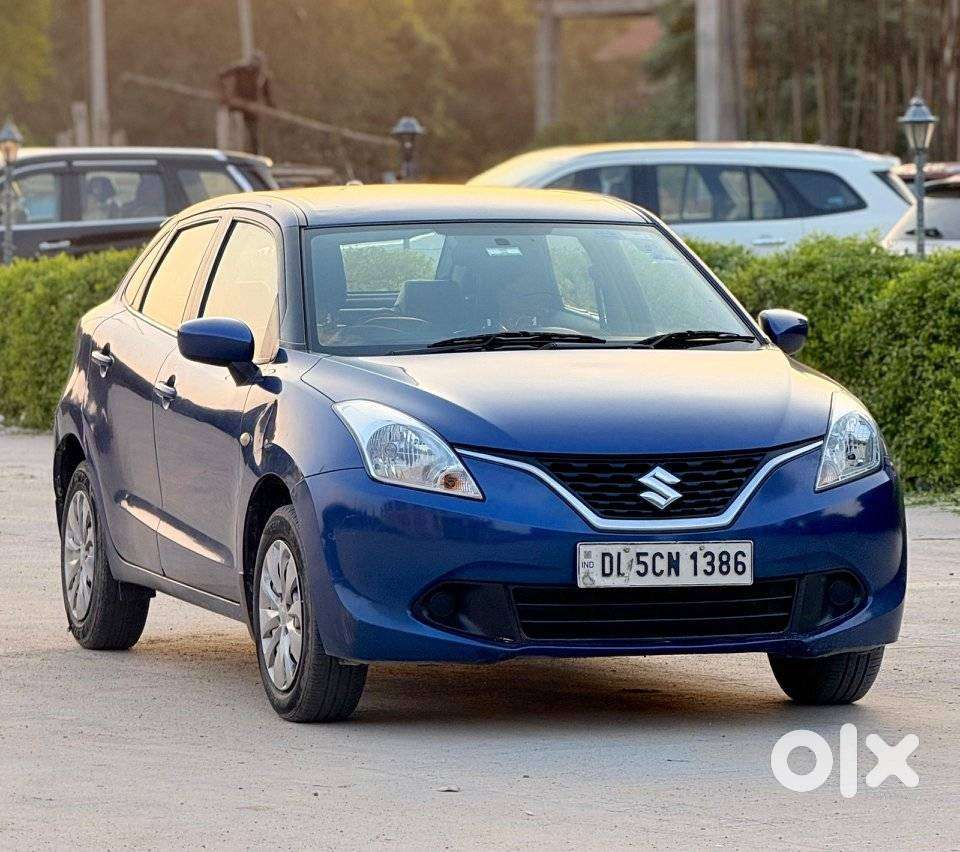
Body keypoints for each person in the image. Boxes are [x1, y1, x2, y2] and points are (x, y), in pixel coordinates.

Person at [217, 50, 274, 153]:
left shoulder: (263, 75)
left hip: (251, 109)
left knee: (253, 134)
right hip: (237, 106)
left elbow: (266, 94)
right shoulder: (240, 69)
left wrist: (271, 106)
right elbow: (222, 75)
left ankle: (255, 155)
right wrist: (226, 95)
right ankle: (234, 153)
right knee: (236, 133)